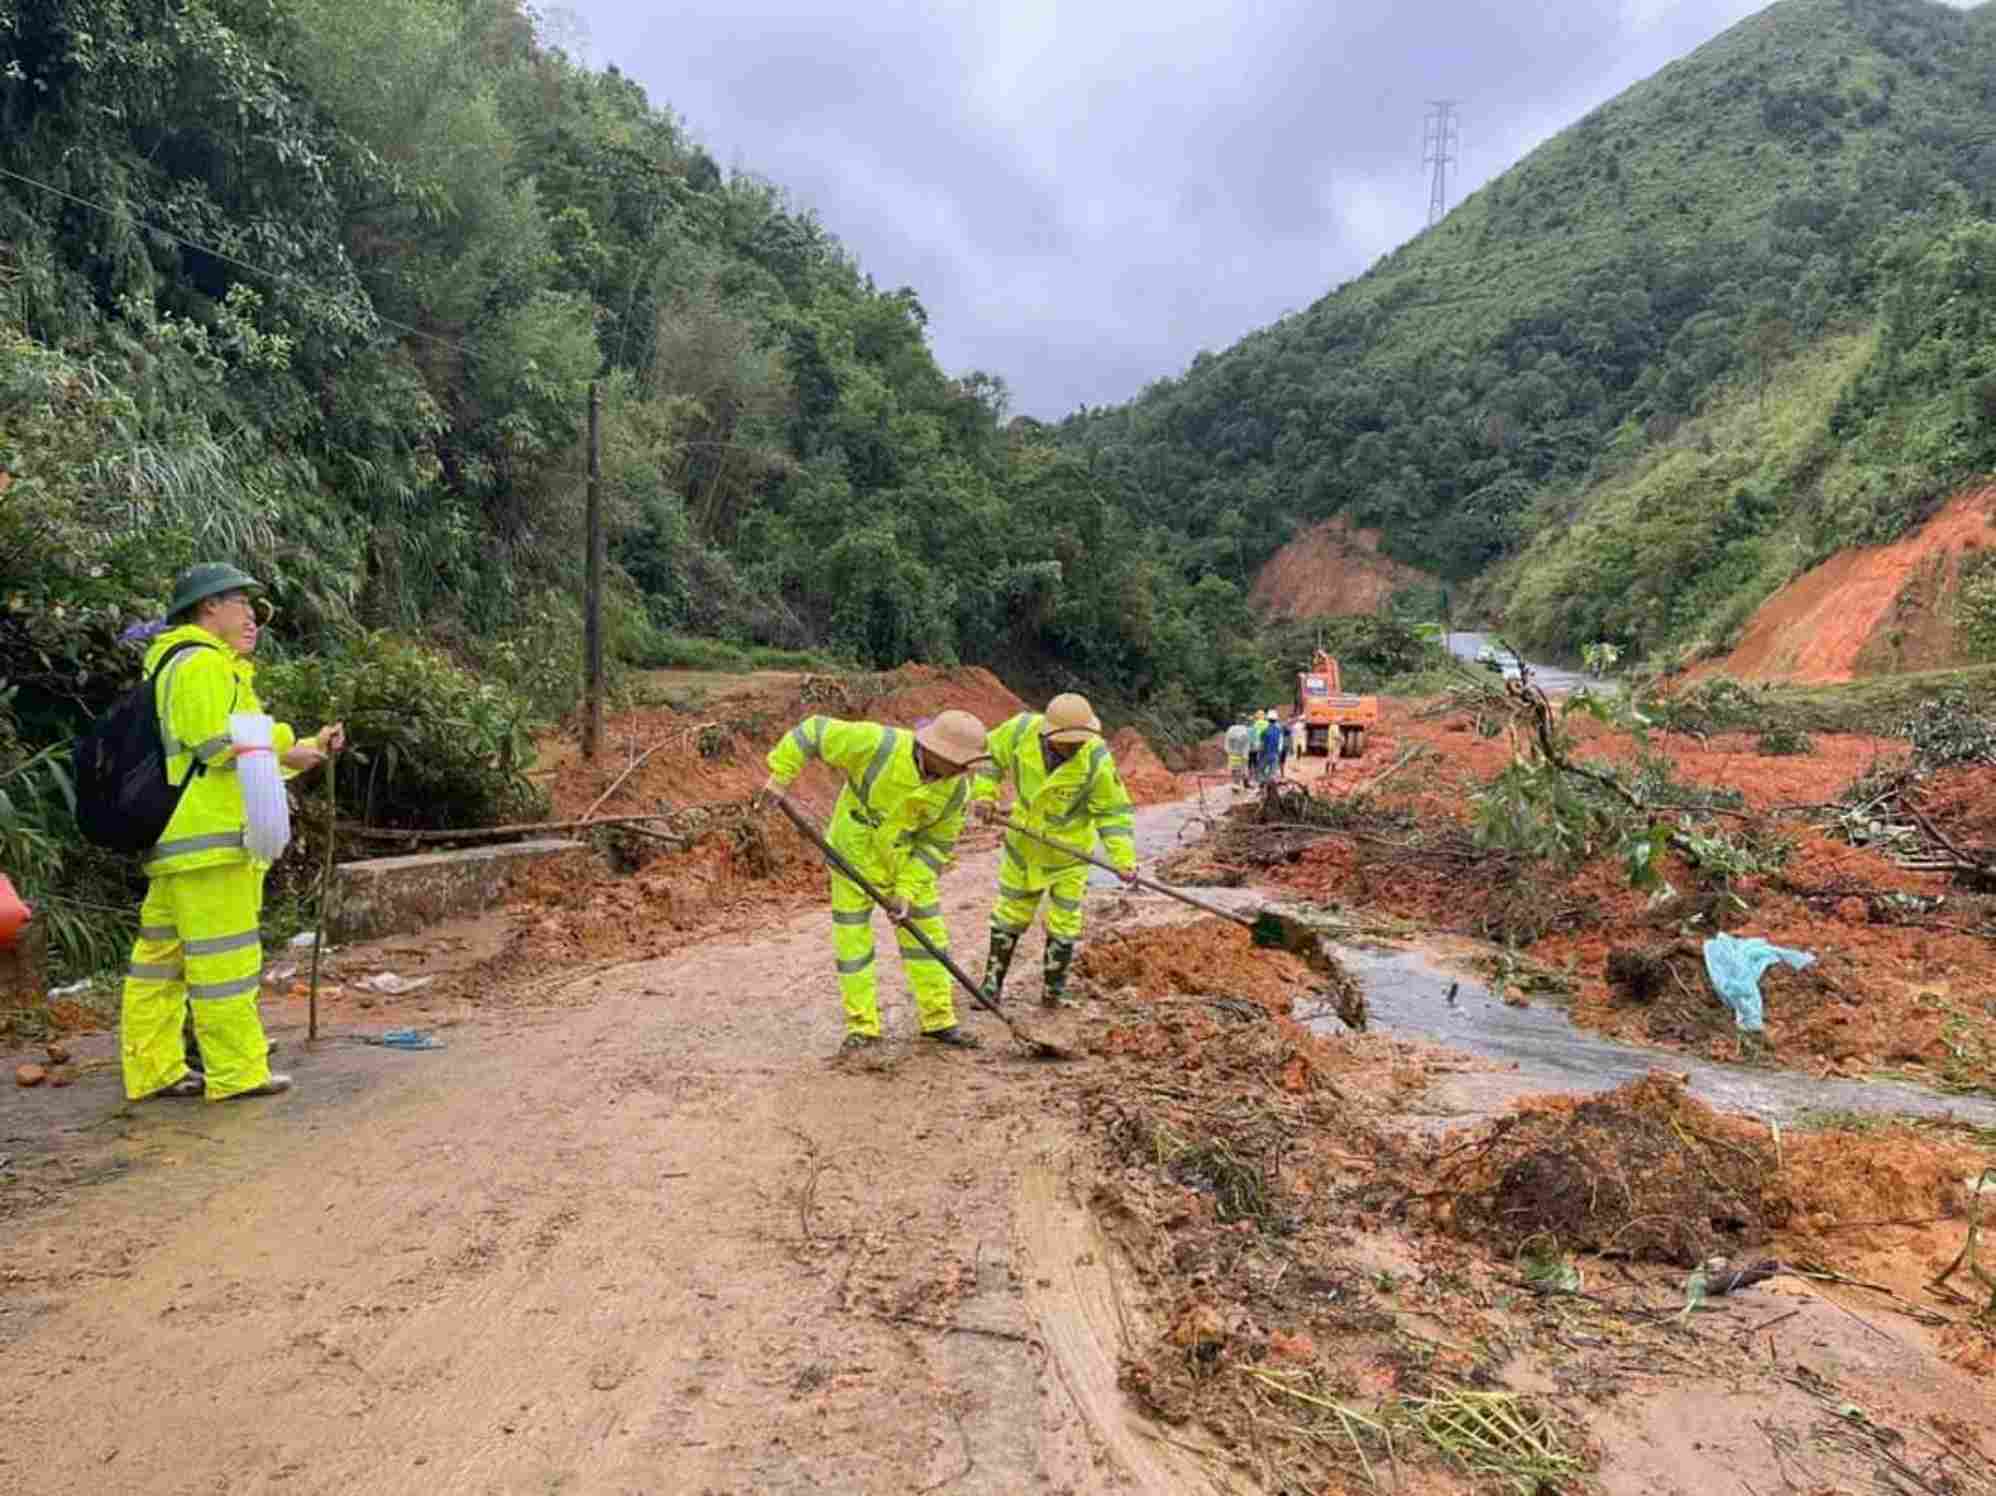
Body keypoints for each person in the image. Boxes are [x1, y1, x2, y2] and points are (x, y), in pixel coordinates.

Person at [121, 564, 344, 1103]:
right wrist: (290, 741)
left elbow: (242, 755)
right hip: (211, 841)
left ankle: (153, 1069)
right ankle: (237, 1070)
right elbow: (217, 743)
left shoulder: (182, 664)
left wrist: (301, 749)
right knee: (225, 962)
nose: (252, 615)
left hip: (182, 841)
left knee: (160, 964)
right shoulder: (200, 663)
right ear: (206, 609)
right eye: (239, 602)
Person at [755, 709, 990, 1054]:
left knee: (928, 941)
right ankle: (863, 1028)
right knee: (853, 945)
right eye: (958, 763)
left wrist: (907, 892)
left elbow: (936, 847)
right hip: (853, 855)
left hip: (903, 862)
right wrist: (780, 778)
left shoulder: (956, 791)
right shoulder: (878, 744)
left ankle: (939, 1021)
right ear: (938, 753)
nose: (962, 771)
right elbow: (813, 731)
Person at [968, 694, 1138, 1008]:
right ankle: (990, 987)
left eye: (1080, 741)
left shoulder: (1095, 757)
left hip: (1069, 854)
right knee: (1010, 913)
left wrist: (1124, 859)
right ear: (1049, 734)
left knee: (1065, 921)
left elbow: (1112, 813)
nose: (1075, 747)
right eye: (1068, 743)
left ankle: (1053, 994)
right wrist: (985, 795)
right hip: (1025, 846)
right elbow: (990, 758)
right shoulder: (1019, 732)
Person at [1223, 717, 1252, 789]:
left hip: (1232, 754)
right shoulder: (1245, 730)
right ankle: (1245, 783)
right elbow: (1246, 744)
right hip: (1241, 755)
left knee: (1234, 770)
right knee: (1243, 769)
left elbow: (1227, 741)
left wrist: (1228, 751)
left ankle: (1236, 784)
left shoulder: (1230, 729)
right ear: (1244, 722)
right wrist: (1246, 755)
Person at [1261, 710, 1287, 784]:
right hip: (1275, 754)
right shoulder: (1279, 731)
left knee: (1262, 770)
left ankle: (1265, 784)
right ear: (1276, 720)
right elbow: (1281, 744)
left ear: (1268, 720)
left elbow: (1262, 743)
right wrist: (1279, 753)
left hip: (1266, 754)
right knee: (1272, 772)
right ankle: (1270, 786)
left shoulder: (1265, 730)